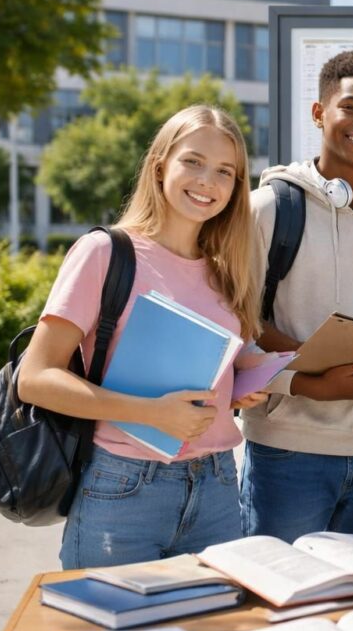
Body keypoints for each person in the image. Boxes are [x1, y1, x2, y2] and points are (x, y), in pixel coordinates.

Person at [17, 105, 266, 569]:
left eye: (225, 172)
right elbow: (34, 378)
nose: (207, 181)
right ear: (160, 166)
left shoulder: (226, 272)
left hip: (216, 488)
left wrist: (243, 384)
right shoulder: (105, 252)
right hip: (123, 486)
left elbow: (210, 366)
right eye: (192, 161)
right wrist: (151, 414)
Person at [239, 50, 353, 548]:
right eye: (351, 107)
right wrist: (316, 378)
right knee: (280, 606)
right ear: (320, 113)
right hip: (288, 452)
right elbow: (242, 323)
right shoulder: (268, 210)